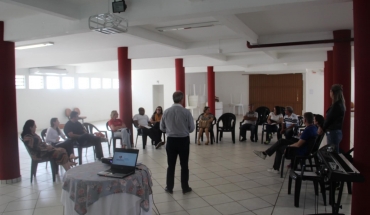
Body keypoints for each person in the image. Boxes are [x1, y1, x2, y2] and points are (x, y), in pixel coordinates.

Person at [160, 91, 194, 194]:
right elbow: (192, 128)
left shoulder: (166, 112)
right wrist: (183, 130)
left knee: (171, 165)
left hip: (171, 141)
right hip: (183, 140)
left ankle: (169, 187)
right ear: (182, 99)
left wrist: (171, 130)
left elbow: (162, 127)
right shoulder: (186, 112)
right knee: (184, 165)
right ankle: (185, 187)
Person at [318, 84, 346, 153]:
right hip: (336, 131)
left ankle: (335, 164)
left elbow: (329, 119)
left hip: (333, 132)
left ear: (332, 92)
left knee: (333, 154)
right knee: (334, 152)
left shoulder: (336, 106)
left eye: (330, 91)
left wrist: (322, 128)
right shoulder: (340, 104)